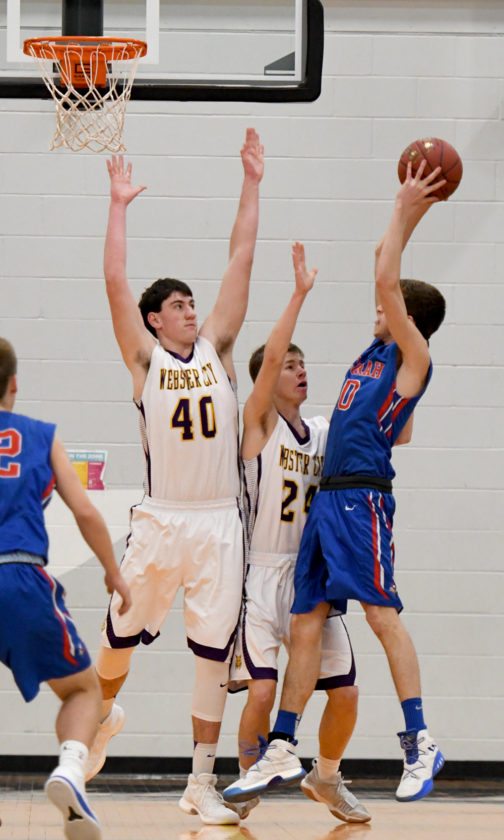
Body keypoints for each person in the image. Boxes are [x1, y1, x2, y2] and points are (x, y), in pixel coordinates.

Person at [227, 161, 447, 805]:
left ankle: (419, 738)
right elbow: (384, 259)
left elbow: (385, 276)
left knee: (381, 614)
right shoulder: (375, 354)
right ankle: (282, 744)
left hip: (361, 499)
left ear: (408, 318)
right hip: (329, 502)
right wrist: (413, 206)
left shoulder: (412, 355)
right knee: (306, 621)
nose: (379, 305)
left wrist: (402, 208)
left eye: (391, 306)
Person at [86, 130, 264, 826]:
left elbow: (241, 257)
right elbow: (114, 283)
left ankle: (199, 782)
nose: (192, 311)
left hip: (219, 520)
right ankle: (102, 715)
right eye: (180, 306)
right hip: (161, 518)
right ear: (156, 321)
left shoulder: (218, 349)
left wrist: (251, 183)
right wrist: (118, 205)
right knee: (117, 637)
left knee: (213, 655)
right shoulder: (145, 360)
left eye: (194, 303)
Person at [223, 243, 370, 823]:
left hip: (312, 576)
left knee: (347, 694)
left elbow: (389, 431)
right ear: (268, 376)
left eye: (303, 363)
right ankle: (246, 785)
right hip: (261, 575)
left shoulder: (325, 430)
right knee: (262, 691)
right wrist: (298, 295)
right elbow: (264, 373)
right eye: (289, 364)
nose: (300, 369)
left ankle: (326, 777)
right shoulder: (259, 425)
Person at [0, 337, 131, 840]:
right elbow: (85, 511)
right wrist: (113, 571)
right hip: (19, 575)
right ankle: (72, 769)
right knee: (81, 689)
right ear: (14, 384)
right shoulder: (40, 435)